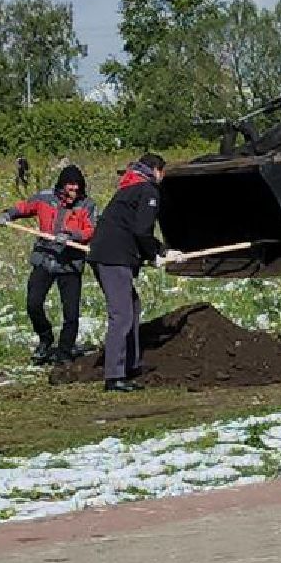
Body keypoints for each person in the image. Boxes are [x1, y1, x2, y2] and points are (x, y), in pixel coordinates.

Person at [0, 164, 96, 365]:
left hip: (70, 263)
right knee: (33, 304)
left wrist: (71, 235)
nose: (74, 189)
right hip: (45, 259)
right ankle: (45, 338)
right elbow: (25, 207)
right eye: (70, 185)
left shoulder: (87, 205)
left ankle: (64, 352)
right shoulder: (45, 198)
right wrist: (9, 214)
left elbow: (91, 229)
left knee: (71, 313)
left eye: (77, 185)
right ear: (62, 185)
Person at [88, 153, 168, 392]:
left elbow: (130, 226)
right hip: (114, 258)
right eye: (163, 172)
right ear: (156, 170)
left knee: (132, 306)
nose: (163, 177)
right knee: (121, 315)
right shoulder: (148, 191)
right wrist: (153, 255)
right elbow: (142, 230)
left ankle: (131, 365)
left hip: (108, 253)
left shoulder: (129, 188)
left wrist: (161, 250)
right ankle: (114, 377)